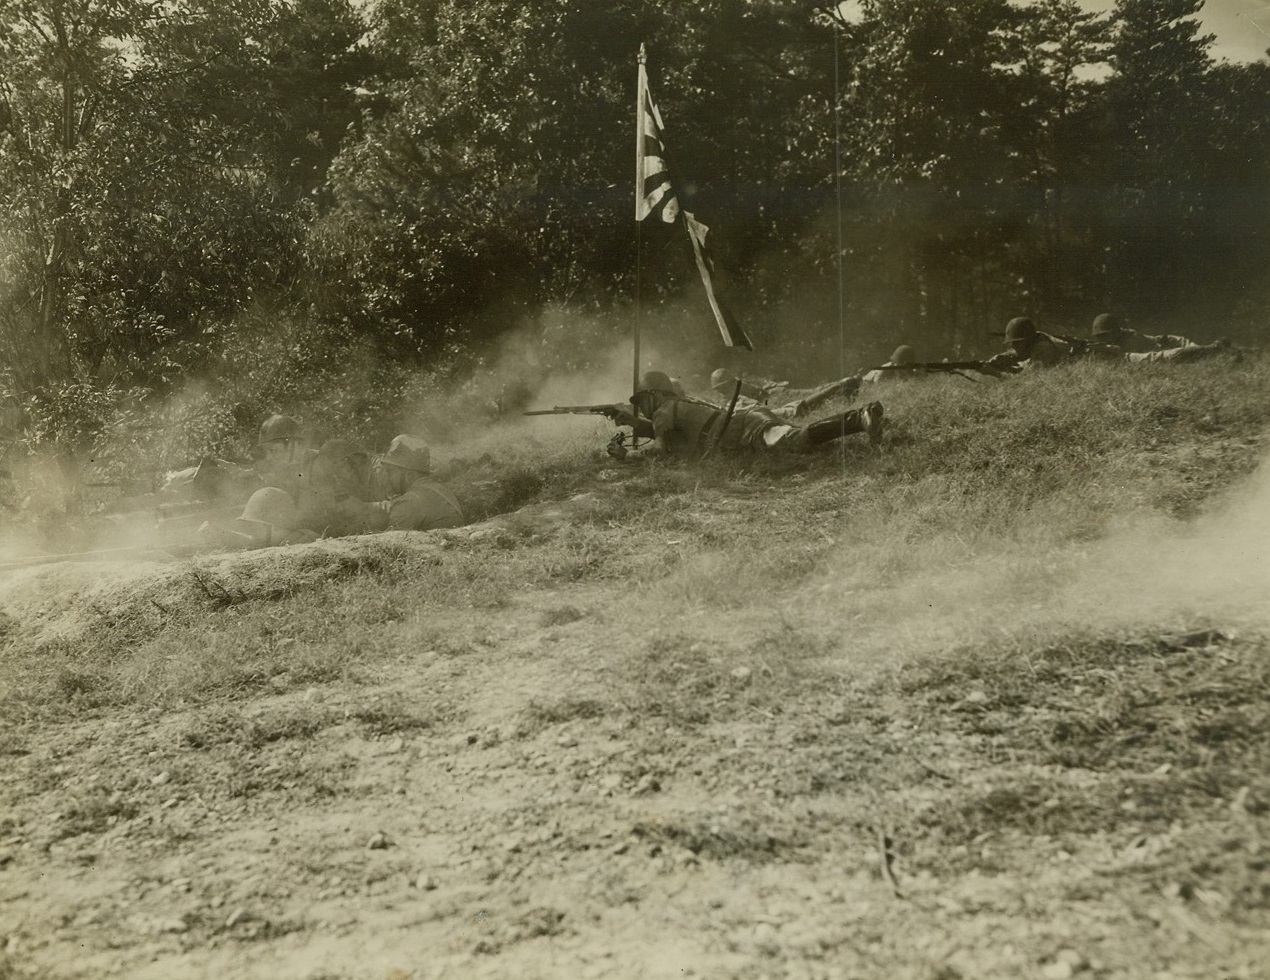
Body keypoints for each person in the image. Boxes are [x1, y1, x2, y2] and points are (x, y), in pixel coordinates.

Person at [620, 371, 883, 458]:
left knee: (795, 441)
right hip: (745, 421)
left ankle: (859, 418)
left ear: (656, 394)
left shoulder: (664, 410)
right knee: (797, 439)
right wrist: (636, 425)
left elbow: (662, 448)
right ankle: (861, 417)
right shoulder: (676, 406)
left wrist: (629, 455)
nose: (641, 407)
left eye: (642, 400)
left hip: (742, 426)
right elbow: (679, 440)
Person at [356, 434, 466, 532]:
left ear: (408, 474)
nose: (388, 477)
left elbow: (390, 545)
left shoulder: (411, 502)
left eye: (391, 471)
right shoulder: (442, 490)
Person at [709, 368, 861, 419]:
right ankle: (845, 384)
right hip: (774, 394)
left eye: (721, 388)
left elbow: (761, 400)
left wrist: (770, 403)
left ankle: (845, 384)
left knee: (811, 394)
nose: (721, 392)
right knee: (812, 392)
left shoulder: (738, 391)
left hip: (775, 395)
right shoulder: (736, 389)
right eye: (719, 389)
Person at [235, 487, 320, 548]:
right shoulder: (296, 540)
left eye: (257, 527)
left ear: (275, 525)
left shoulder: (301, 546)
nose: (255, 534)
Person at [1090, 313, 1195, 353]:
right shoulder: (1116, 340)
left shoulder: (1130, 338)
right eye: (1099, 336)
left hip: (1168, 343)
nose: (1102, 339)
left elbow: (1126, 355)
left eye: (1105, 335)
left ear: (1116, 332)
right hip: (1160, 341)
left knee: (1194, 350)